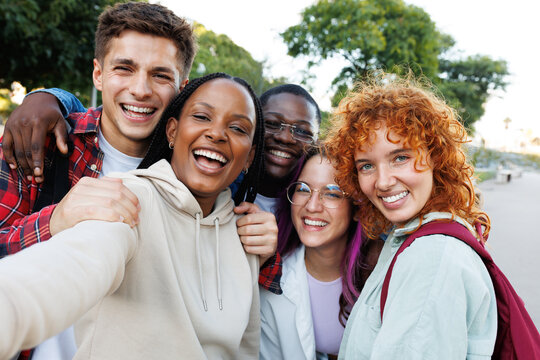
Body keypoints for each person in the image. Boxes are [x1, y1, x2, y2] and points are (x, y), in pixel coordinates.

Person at [0, 3, 279, 359]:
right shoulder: (38, 144)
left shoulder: (209, 174)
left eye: (161, 75)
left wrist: (265, 248)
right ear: (98, 75)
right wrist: (57, 221)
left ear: (183, 87)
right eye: (124, 69)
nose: (141, 89)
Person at [324, 73, 497, 359]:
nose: (382, 182)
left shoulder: (432, 256)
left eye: (400, 157)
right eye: (366, 166)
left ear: (435, 157)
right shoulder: (413, 237)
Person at [259, 146, 383, 360]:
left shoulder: (382, 270)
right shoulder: (272, 282)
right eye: (303, 189)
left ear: (357, 208)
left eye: (332, 193)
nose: (312, 206)